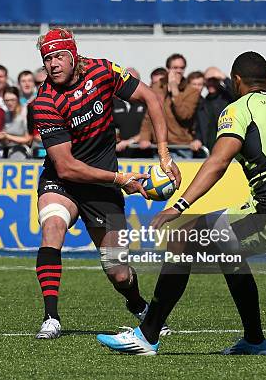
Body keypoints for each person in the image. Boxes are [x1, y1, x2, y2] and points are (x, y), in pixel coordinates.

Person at [97, 51, 266, 356]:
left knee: (182, 238)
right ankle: (255, 340)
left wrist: (179, 206)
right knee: (228, 252)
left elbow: (218, 161)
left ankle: (147, 336)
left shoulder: (239, 109)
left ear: (236, 80)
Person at [31, 28, 181, 339]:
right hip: (65, 181)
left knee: (118, 271)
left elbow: (151, 99)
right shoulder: (44, 102)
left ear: (73, 55)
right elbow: (67, 167)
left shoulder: (102, 70)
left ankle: (139, 305)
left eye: (59, 56)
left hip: (102, 187)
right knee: (53, 225)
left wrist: (164, 155)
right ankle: (51, 317)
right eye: (47, 59)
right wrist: (121, 178)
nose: (53, 64)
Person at [137, 54, 200, 158]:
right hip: (160, 145)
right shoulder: (157, 87)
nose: (178, 71)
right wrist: (145, 137)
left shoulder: (191, 91)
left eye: (182, 68)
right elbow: (149, 114)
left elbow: (184, 115)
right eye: (175, 68)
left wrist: (175, 91)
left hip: (181, 146)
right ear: (168, 69)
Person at [191, 67, 234, 153]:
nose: (211, 83)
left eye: (214, 80)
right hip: (210, 150)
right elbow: (201, 126)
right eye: (208, 80)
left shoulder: (227, 97)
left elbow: (238, 93)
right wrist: (198, 139)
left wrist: (224, 77)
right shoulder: (203, 102)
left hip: (227, 148)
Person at [114, 68, 147, 158]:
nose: (130, 86)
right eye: (127, 82)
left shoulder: (146, 103)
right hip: (118, 157)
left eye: (133, 82)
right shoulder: (112, 103)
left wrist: (130, 142)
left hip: (142, 156)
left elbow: (150, 129)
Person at [0, 86, 32, 159]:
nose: (9, 103)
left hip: (22, 150)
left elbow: (28, 140)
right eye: (6, 100)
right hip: (7, 149)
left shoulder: (25, 112)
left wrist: (7, 136)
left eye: (13, 100)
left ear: (18, 99)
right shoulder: (6, 114)